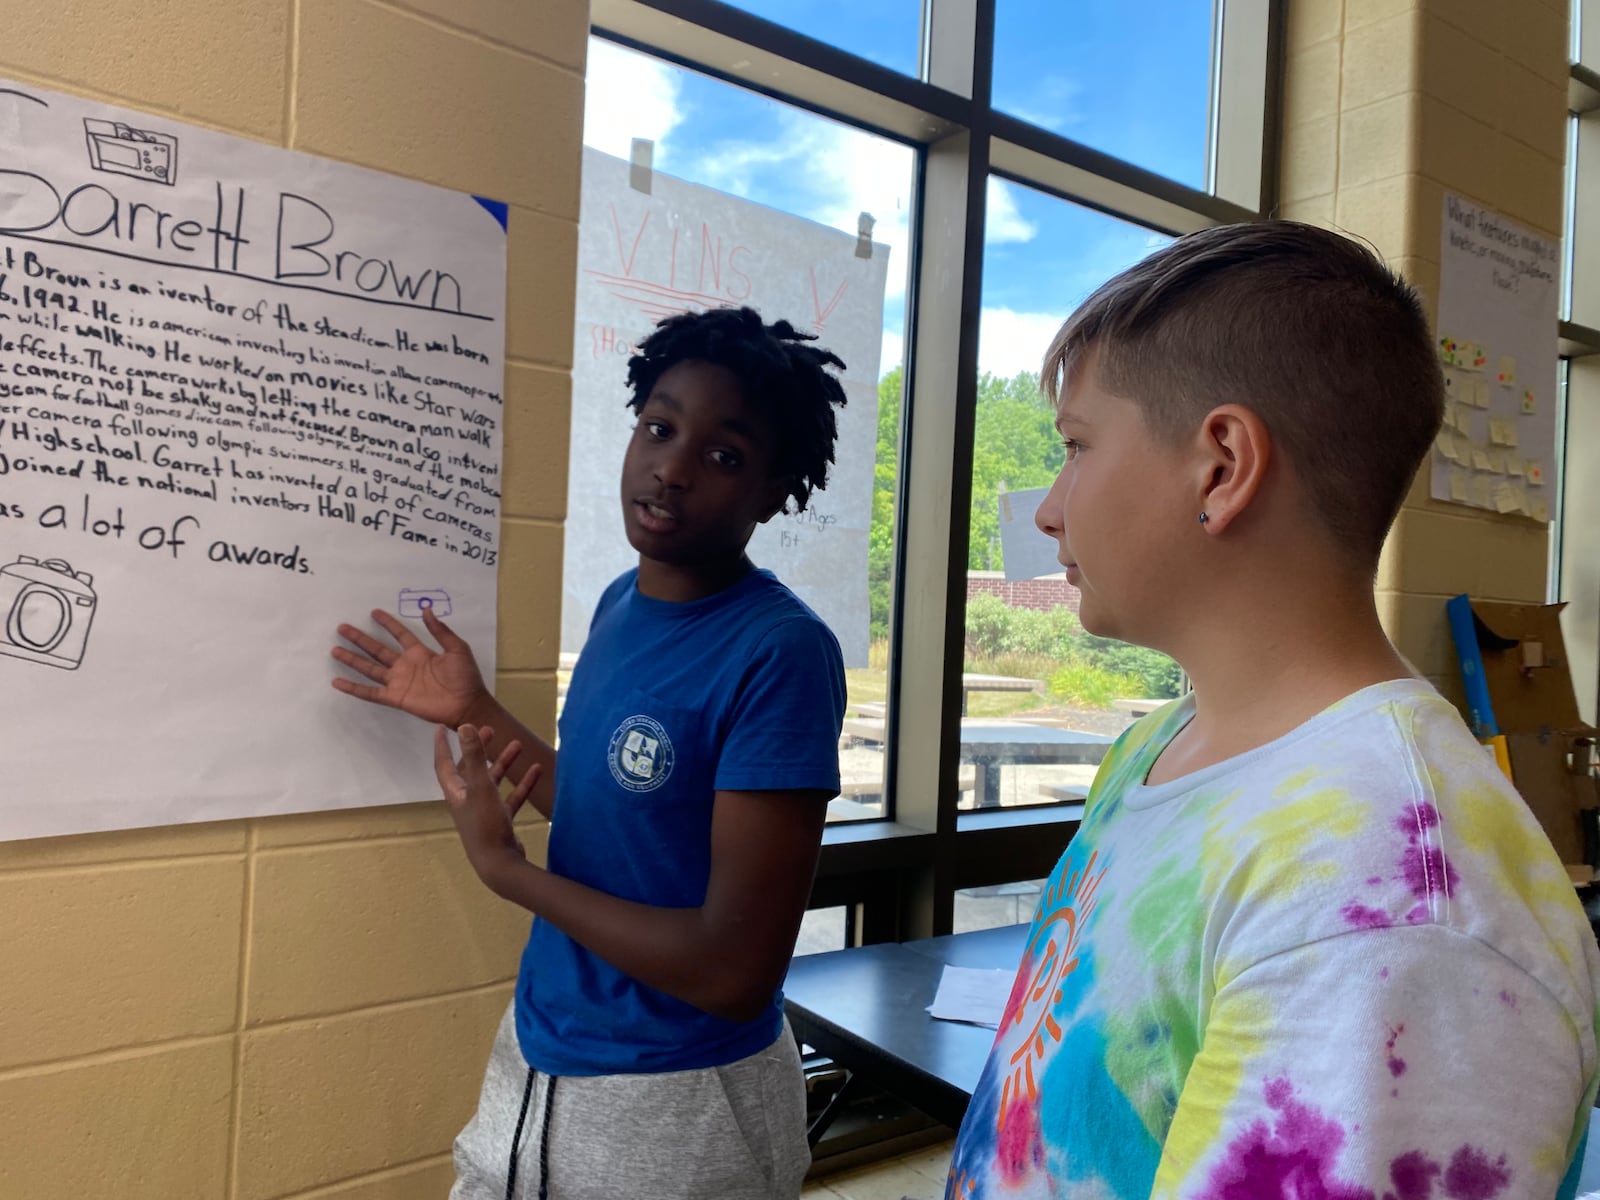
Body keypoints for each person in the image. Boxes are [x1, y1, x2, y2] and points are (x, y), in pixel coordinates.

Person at [944, 221, 1600, 1200]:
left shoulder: (1400, 907)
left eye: (1076, 446)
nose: (1048, 511)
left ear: (1220, 466)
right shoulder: (1157, 747)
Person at [331, 306, 850, 1200]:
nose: (673, 468)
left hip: (681, 1093)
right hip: (543, 1051)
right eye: (659, 426)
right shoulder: (620, 604)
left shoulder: (780, 652)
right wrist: (476, 711)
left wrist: (508, 873)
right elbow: (610, 814)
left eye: (724, 456)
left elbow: (733, 972)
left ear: (774, 492)